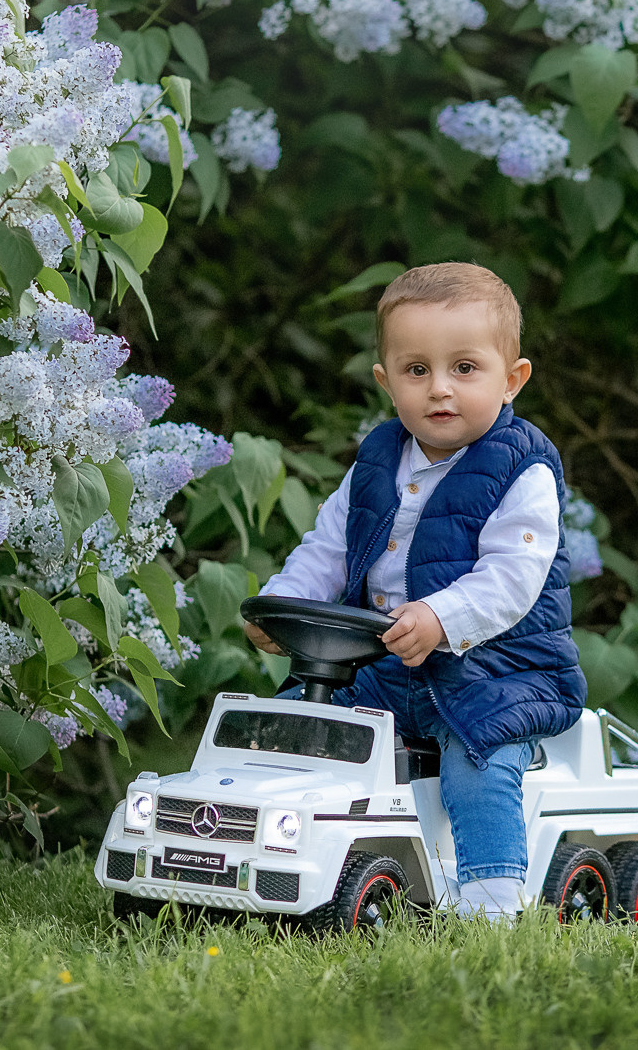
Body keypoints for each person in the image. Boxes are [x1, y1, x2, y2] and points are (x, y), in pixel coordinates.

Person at [247, 262, 586, 922]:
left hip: (496, 670)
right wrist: (284, 602)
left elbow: (513, 579)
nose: (440, 389)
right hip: (383, 666)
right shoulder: (376, 463)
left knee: (477, 760)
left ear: (512, 377)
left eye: (465, 368)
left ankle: (492, 905)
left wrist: (441, 614)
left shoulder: (523, 467)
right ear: (386, 381)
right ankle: (274, 864)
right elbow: (329, 548)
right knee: (288, 722)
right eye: (417, 369)